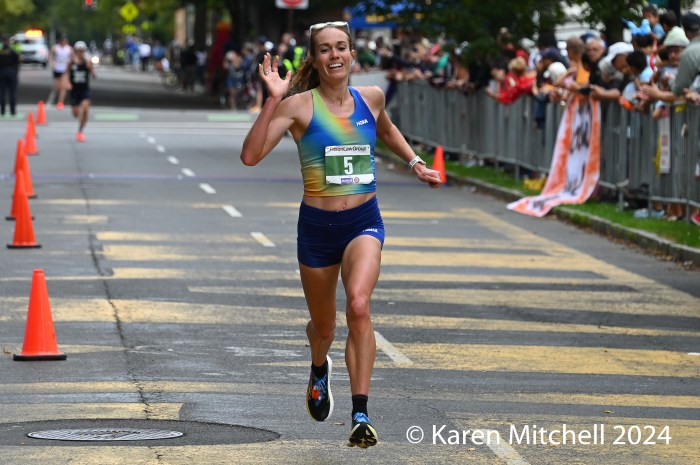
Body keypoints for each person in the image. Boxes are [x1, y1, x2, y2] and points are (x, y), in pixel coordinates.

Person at [240, 20, 442, 449]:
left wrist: (415, 163)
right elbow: (251, 156)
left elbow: (385, 128)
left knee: (359, 304)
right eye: (325, 49)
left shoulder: (371, 98)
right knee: (324, 327)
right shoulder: (298, 107)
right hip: (317, 230)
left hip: (363, 221)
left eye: (341, 47)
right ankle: (319, 365)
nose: (335, 55)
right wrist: (273, 100)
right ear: (314, 59)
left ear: (352, 54)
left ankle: (361, 414)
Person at [69, 41, 96, 142]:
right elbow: (66, 74)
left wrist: (90, 68)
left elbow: (94, 75)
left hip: (84, 89)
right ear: (75, 51)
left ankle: (80, 131)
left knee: (85, 109)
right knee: (76, 113)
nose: (80, 53)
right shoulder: (71, 62)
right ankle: (79, 119)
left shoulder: (87, 61)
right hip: (74, 90)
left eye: (82, 51)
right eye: (78, 51)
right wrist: (67, 83)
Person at [50, 35, 72, 109]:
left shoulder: (69, 49)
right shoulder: (55, 48)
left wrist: (70, 65)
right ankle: (58, 98)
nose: (63, 42)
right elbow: (50, 55)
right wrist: (51, 62)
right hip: (57, 69)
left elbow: (72, 57)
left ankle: (60, 102)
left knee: (63, 86)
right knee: (57, 87)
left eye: (64, 41)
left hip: (65, 70)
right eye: (62, 41)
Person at [0, 34, 20, 117]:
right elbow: (17, 63)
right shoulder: (13, 52)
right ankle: (13, 111)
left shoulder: (0, 52)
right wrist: (15, 73)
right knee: (12, 92)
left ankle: (2, 111)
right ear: (9, 42)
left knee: (2, 93)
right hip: (11, 72)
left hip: (2, 72)